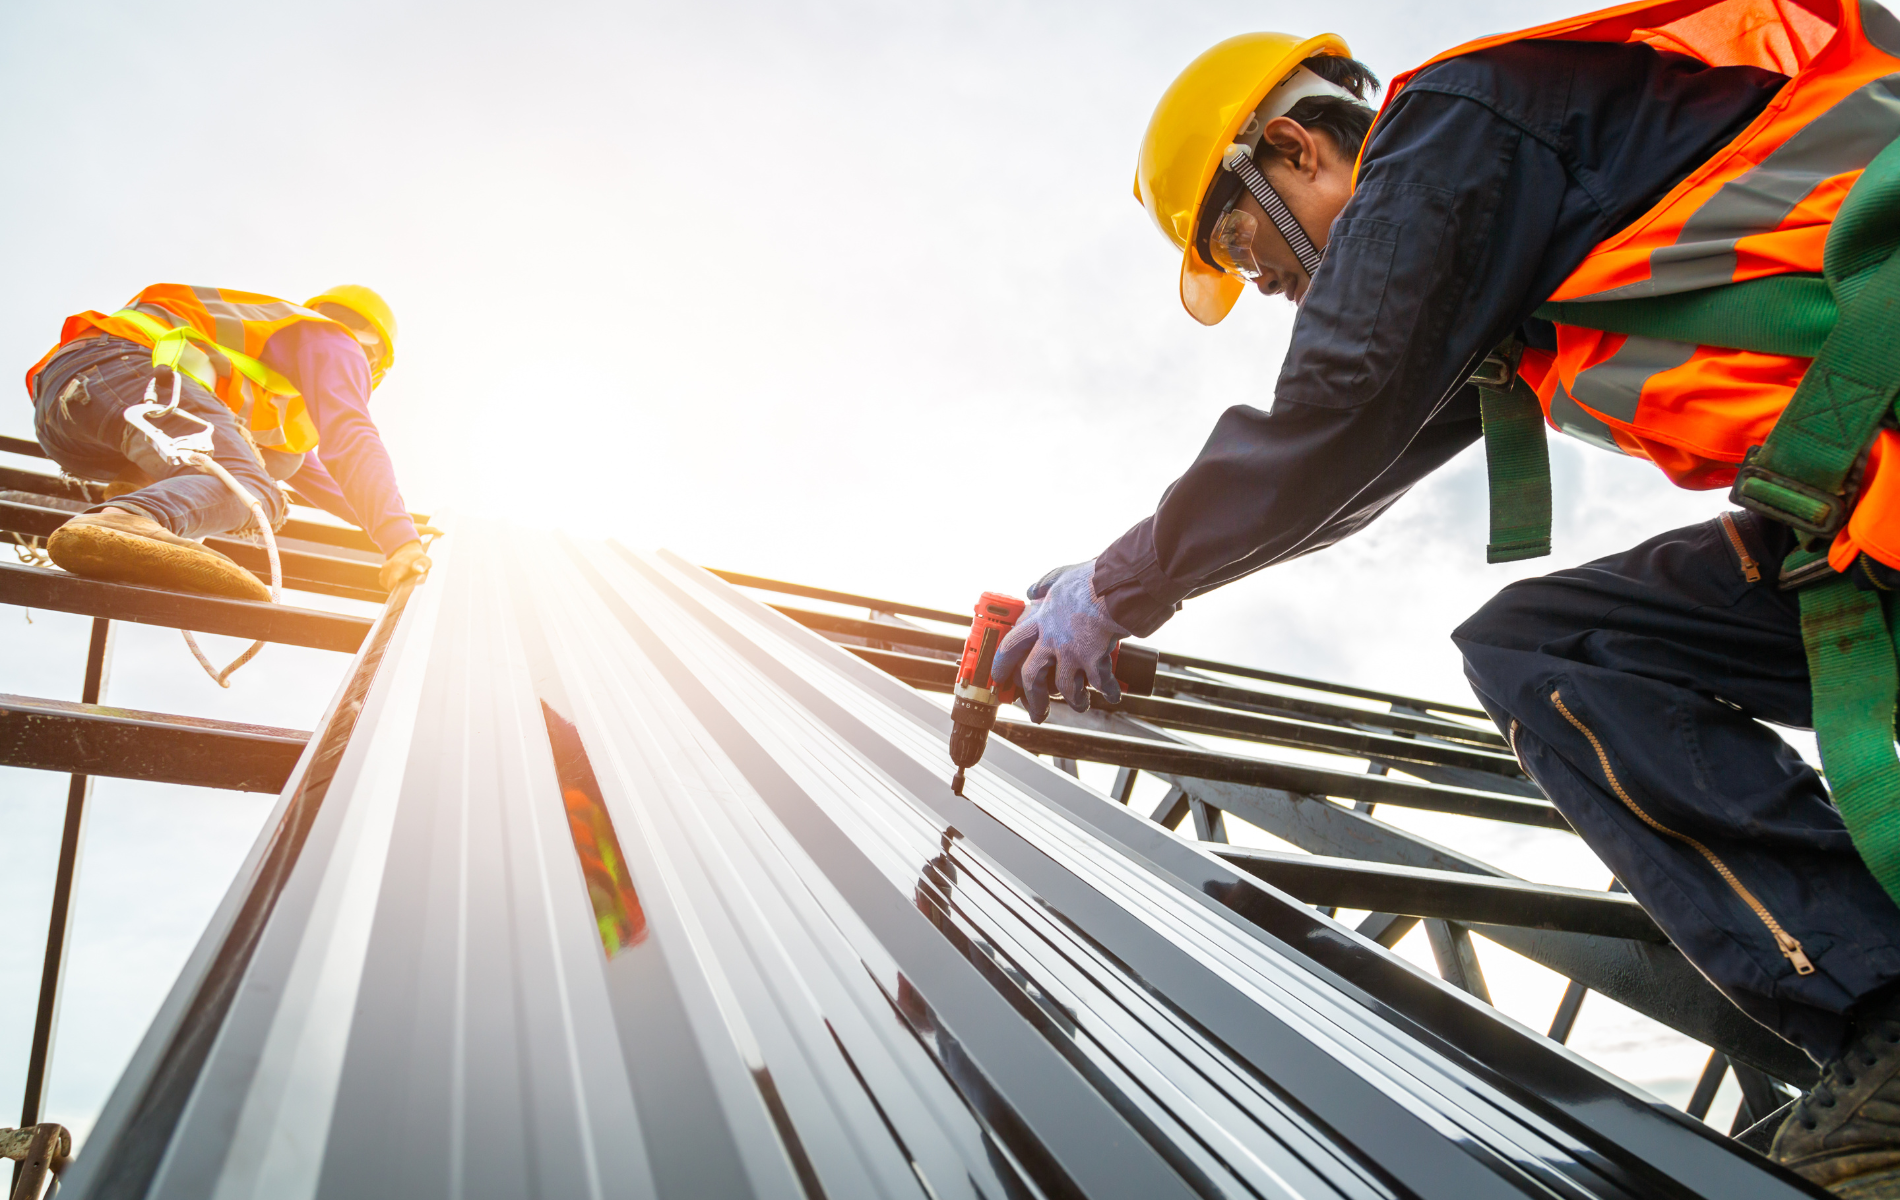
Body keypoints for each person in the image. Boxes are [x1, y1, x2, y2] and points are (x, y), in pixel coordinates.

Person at [989, 2, 1900, 1192]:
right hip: (1870, 508)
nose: (1272, 288)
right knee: (1549, 648)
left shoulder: (1451, 130)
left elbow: (1337, 407)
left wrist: (1118, 586)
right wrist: (1123, 582)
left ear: (1293, 149)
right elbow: (1343, 474)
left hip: (1876, 486)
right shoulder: (1506, 254)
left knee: (1551, 646)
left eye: (1250, 250)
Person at [25, 283, 431, 600]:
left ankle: (135, 493)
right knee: (253, 492)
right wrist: (400, 543)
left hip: (68, 418)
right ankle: (128, 519)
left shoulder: (272, 364)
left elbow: (320, 477)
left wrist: (397, 525)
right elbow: (351, 436)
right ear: (374, 358)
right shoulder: (335, 341)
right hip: (125, 370)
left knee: (277, 463)